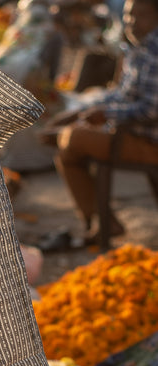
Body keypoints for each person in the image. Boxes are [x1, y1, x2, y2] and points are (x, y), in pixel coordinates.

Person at [39, 0, 158, 250]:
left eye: (141, 16)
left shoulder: (153, 50)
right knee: (64, 147)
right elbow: (120, 94)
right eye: (128, 16)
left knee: (71, 139)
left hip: (148, 141)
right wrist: (79, 112)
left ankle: (103, 223)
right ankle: (102, 222)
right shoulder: (138, 46)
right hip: (127, 133)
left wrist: (104, 113)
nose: (132, 22)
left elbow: (151, 109)